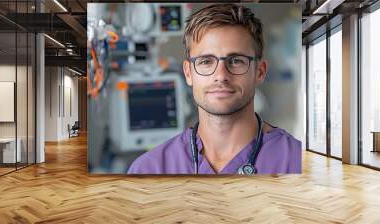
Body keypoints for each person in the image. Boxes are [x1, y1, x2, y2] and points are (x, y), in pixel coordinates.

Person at [128, 3, 301, 174]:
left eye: (236, 61)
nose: (221, 75)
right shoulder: (149, 169)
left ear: (260, 72)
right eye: (205, 61)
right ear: (188, 73)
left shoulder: (297, 161)